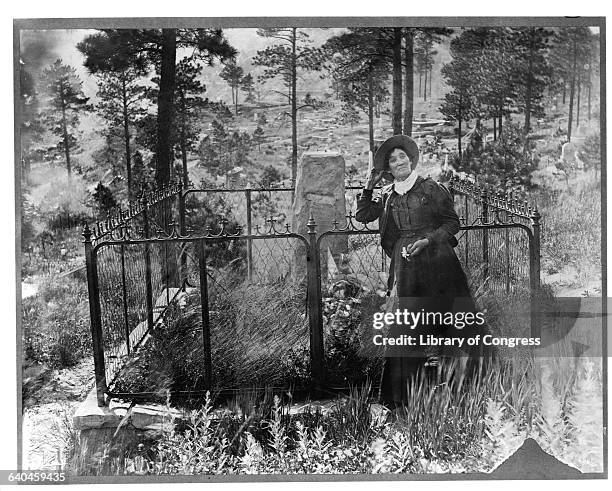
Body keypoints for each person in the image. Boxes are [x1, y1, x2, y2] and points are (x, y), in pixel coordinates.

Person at [355, 135, 488, 407]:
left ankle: (477, 382)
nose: (399, 161)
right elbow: (363, 216)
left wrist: (427, 240)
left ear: (411, 159)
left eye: (402, 156)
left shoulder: (431, 188)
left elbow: (452, 224)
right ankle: (405, 396)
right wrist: (369, 185)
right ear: (387, 169)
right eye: (392, 160)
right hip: (406, 267)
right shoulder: (389, 194)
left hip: (439, 263)